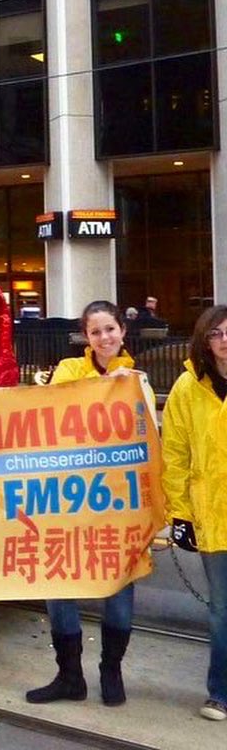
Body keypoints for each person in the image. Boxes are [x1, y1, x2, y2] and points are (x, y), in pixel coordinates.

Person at [25, 300, 137, 707]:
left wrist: (126, 385)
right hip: (68, 498)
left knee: (119, 589)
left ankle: (112, 669)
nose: (104, 338)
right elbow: (56, 406)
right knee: (59, 584)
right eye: (95, 332)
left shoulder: (138, 377)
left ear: (122, 331)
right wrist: (108, 387)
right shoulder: (71, 369)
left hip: (118, 500)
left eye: (110, 329)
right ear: (85, 337)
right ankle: (69, 674)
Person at [161, 305, 227, 722]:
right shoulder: (188, 387)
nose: (224, 341)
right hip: (211, 515)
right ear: (205, 340)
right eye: (216, 334)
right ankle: (219, 691)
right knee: (221, 609)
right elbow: (176, 454)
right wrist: (180, 515)